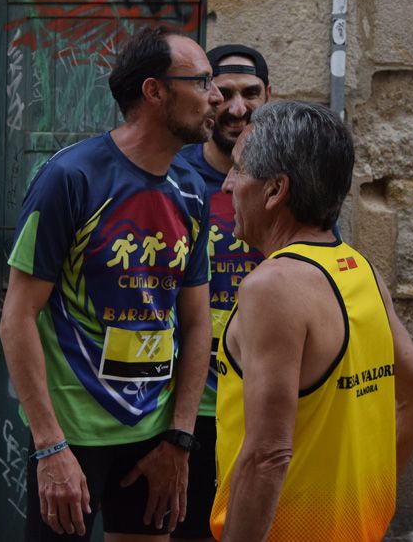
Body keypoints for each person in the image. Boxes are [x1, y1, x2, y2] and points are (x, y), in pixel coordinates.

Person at [0, 26, 220, 542]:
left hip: (154, 434)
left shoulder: (191, 189)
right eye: (201, 81)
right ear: (154, 91)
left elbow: (195, 322)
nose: (214, 96)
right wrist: (50, 446)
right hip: (71, 435)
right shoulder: (70, 178)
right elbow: (16, 317)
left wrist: (179, 439)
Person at [210, 101, 413, 541]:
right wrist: (362, 507)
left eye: (238, 169)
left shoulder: (271, 287)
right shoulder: (358, 268)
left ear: (276, 190)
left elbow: (266, 456)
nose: (226, 185)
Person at [172, 44, 270, 542]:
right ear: (208, 98)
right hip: (187, 410)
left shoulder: (291, 183)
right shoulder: (174, 177)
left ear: (268, 97)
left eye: (250, 94)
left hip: (262, 406)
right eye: (225, 93)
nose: (237, 107)